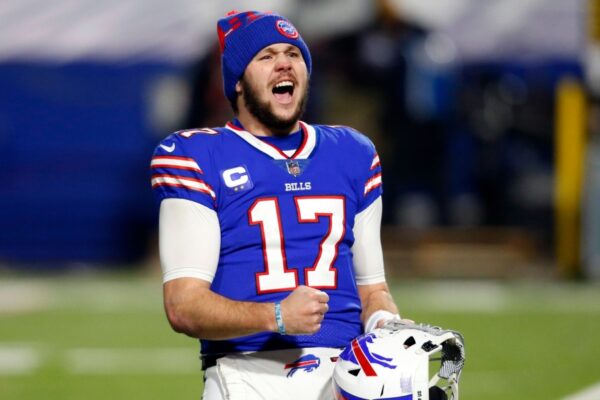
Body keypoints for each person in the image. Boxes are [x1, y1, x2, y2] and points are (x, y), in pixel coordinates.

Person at [150, 10, 405, 400]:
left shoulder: (353, 153)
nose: (284, 63)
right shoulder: (197, 156)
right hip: (247, 374)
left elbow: (373, 291)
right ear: (238, 81)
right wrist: (277, 316)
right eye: (266, 56)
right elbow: (183, 306)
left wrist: (386, 325)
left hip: (346, 377)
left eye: (293, 54)